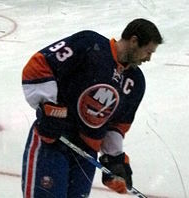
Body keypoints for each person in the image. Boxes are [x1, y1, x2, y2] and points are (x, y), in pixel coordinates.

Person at [21, 18, 163, 198]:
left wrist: (115, 160)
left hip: (85, 154)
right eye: (147, 52)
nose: (149, 59)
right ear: (134, 41)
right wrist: (49, 108)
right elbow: (40, 64)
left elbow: (116, 125)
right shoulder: (89, 45)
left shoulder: (135, 82)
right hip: (53, 142)